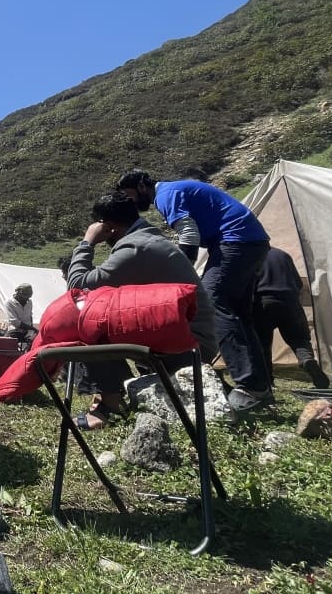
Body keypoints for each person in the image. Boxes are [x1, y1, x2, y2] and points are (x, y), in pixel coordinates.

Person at [117, 169, 272, 412]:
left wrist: (180, 270)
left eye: (130, 195)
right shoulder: (174, 189)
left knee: (212, 302)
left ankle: (250, 386)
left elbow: (188, 232)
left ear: (140, 186)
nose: (131, 201)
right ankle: (260, 386)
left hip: (235, 241)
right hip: (249, 241)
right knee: (239, 314)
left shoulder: (166, 195)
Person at [65, 190, 220, 429]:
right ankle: (118, 393)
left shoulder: (136, 248)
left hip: (191, 346)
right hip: (191, 338)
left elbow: (77, 287)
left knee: (90, 325)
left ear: (108, 228)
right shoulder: (147, 239)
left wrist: (87, 242)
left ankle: (111, 406)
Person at [253, 245, 330, 388]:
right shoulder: (283, 254)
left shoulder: (252, 254)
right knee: (300, 339)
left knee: (262, 344)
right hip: (290, 301)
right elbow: (298, 283)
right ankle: (306, 359)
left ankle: (268, 381)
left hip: (263, 302)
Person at [1, 283, 37, 349]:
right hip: (15, 330)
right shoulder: (9, 303)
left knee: (38, 340)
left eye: (28, 297)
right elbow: (14, 321)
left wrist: (32, 329)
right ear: (19, 294)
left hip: (28, 331)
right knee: (8, 342)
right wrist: (31, 328)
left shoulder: (29, 302)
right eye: (25, 296)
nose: (27, 299)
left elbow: (30, 316)